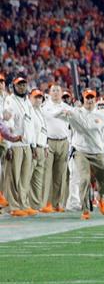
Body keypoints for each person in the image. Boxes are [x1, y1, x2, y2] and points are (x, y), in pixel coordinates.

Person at [55, 89, 104, 219]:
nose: (90, 100)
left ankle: (100, 197)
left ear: (95, 99)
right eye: (87, 98)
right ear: (83, 99)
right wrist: (64, 111)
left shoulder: (102, 115)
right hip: (81, 151)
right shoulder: (76, 112)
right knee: (84, 179)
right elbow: (55, 115)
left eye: (92, 98)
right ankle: (85, 210)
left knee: (103, 180)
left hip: (97, 151)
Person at [3, 77, 36, 217]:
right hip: (15, 144)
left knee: (24, 177)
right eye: (19, 85)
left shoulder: (27, 101)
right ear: (14, 86)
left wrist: (33, 145)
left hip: (26, 144)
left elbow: (31, 125)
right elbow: (7, 124)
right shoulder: (10, 100)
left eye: (24, 84)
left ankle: (24, 204)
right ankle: (13, 206)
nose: (22, 87)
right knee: (12, 176)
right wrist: (8, 146)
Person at [42, 84, 71, 212]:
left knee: (60, 175)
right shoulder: (45, 106)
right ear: (49, 92)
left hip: (63, 141)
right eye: (53, 90)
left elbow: (75, 119)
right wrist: (63, 112)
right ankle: (46, 203)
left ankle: (57, 203)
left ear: (61, 93)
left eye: (57, 90)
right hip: (49, 142)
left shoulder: (66, 107)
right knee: (47, 174)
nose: (55, 92)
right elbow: (51, 116)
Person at [28, 89, 49, 212]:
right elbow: (29, 130)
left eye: (40, 97)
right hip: (33, 148)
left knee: (38, 179)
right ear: (30, 98)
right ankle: (24, 204)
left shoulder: (40, 111)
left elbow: (44, 130)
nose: (38, 100)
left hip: (41, 147)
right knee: (27, 177)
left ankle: (36, 205)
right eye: (35, 97)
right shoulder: (29, 110)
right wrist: (33, 145)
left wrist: (45, 146)